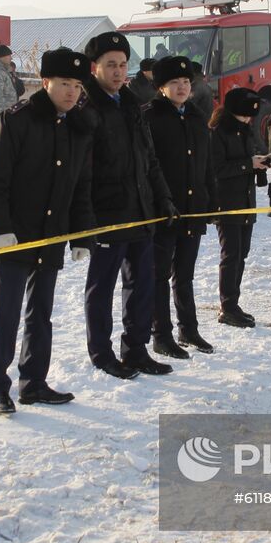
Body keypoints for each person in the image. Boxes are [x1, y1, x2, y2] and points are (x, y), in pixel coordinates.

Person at [0, 48, 96, 414]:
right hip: (16, 233)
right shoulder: (16, 120)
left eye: (77, 85)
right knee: (7, 313)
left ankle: (34, 382)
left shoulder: (78, 127)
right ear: (45, 82)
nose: (71, 92)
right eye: (64, 84)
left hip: (53, 233)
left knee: (40, 313)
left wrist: (81, 235)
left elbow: (81, 187)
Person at [81, 32, 176, 380]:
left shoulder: (132, 102)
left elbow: (149, 159)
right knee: (102, 287)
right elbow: (83, 170)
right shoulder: (87, 107)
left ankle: (136, 349)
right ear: (95, 68)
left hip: (141, 209)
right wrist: (88, 217)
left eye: (123, 65)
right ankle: (102, 353)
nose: (119, 71)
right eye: (111, 65)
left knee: (142, 283)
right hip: (108, 214)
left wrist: (162, 198)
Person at [142, 56, 218, 359]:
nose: (182, 87)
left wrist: (211, 200)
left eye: (186, 82)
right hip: (164, 209)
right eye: (175, 83)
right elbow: (149, 166)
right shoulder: (149, 117)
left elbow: (206, 164)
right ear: (162, 88)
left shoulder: (198, 117)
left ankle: (189, 328)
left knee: (185, 273)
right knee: (159, 274)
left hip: (193, 207)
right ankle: (161, 333)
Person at [210, 87, 267, 327]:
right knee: (231, 255)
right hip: (227, 203)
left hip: (246, 201)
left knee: (241, 254)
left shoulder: (245, 131)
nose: (248, 119)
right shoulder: (218, 133)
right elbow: (217, 170)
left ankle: (234, 302)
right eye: (244, 115)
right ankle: (228, 306)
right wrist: (247, 165)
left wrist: (259, 166)